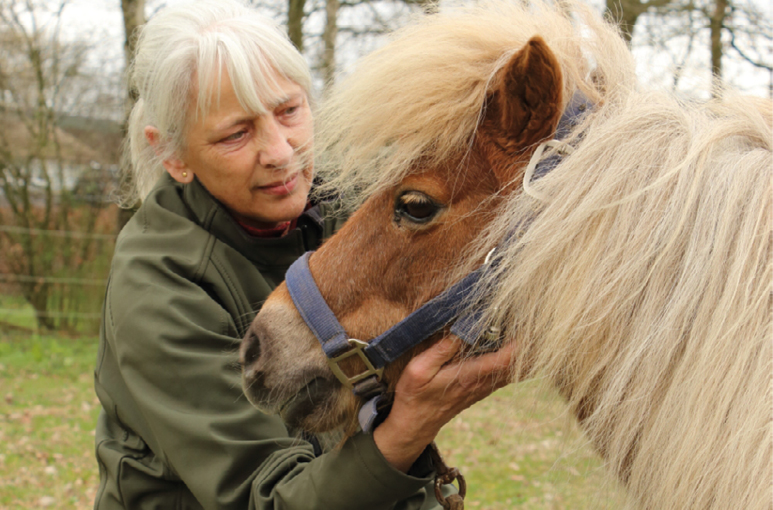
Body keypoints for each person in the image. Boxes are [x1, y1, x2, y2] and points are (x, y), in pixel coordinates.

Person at [93, 1, 514, 508]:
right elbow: (265, 499)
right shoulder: (157, 284)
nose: (280, 151)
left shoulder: (351, 204)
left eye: (289, 110)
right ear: (172, 156)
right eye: (235, 134)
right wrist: (409, 428)